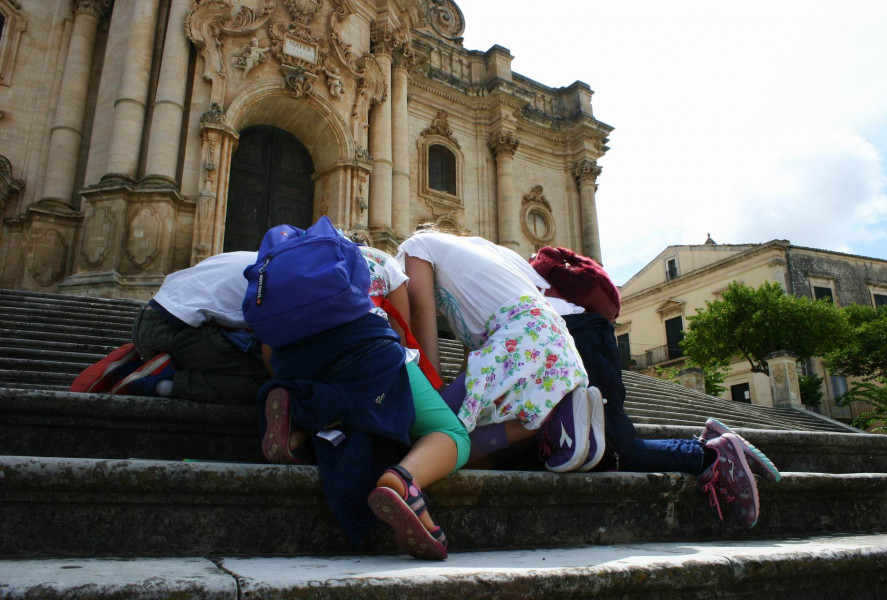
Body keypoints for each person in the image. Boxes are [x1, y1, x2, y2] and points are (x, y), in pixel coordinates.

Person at [255, 221, 470, 560]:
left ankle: (298, 413)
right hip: (368, 352)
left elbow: (267, 346)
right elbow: (400, 329)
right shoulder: (381, 260)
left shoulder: (279, 267)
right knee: (450, 431)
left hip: (291, 362)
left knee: (342, 402)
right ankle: (403, 481)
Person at [529, 246, 780, 528]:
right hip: (583, 337)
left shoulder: (552, 304)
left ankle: (710, 454)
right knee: (615, 447)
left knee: (613, 452)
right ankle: (709, 445)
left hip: (576, 338)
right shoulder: (570, 310)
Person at [395, 227, 603, 473]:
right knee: (459, 430)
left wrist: (435, 387)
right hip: (552, 335)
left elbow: (422, 311)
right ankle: (557, 415)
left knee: (434, 436)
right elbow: (473, 350)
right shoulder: (482, 252)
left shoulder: (415, 246)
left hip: (520, 333)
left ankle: (551, 420)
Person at [110, 251, 270, 405]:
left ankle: (145, 367)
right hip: (175, 332)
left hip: (147, 318)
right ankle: (164, 381)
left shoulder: (246, 257)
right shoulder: (281, 278)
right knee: (268, 381)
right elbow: (271, 347)